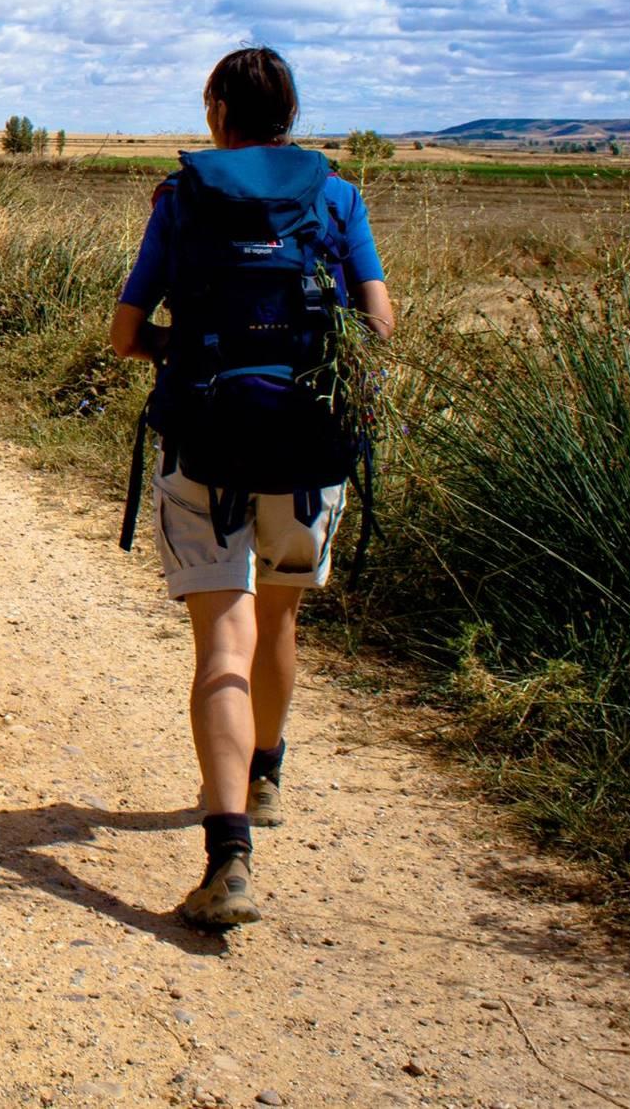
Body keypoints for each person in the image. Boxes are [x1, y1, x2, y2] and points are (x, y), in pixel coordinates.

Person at [108, 47, 394, 929]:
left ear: (220, 112)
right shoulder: (338, 197)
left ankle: (228, 856)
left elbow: (125, 332)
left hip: (206, 445)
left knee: (220, 646)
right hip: (309, 451)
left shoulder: (181, 197)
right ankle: (265, 774)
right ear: (290, 116)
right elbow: (379, 324)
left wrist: (194, 353)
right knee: (279, 618)